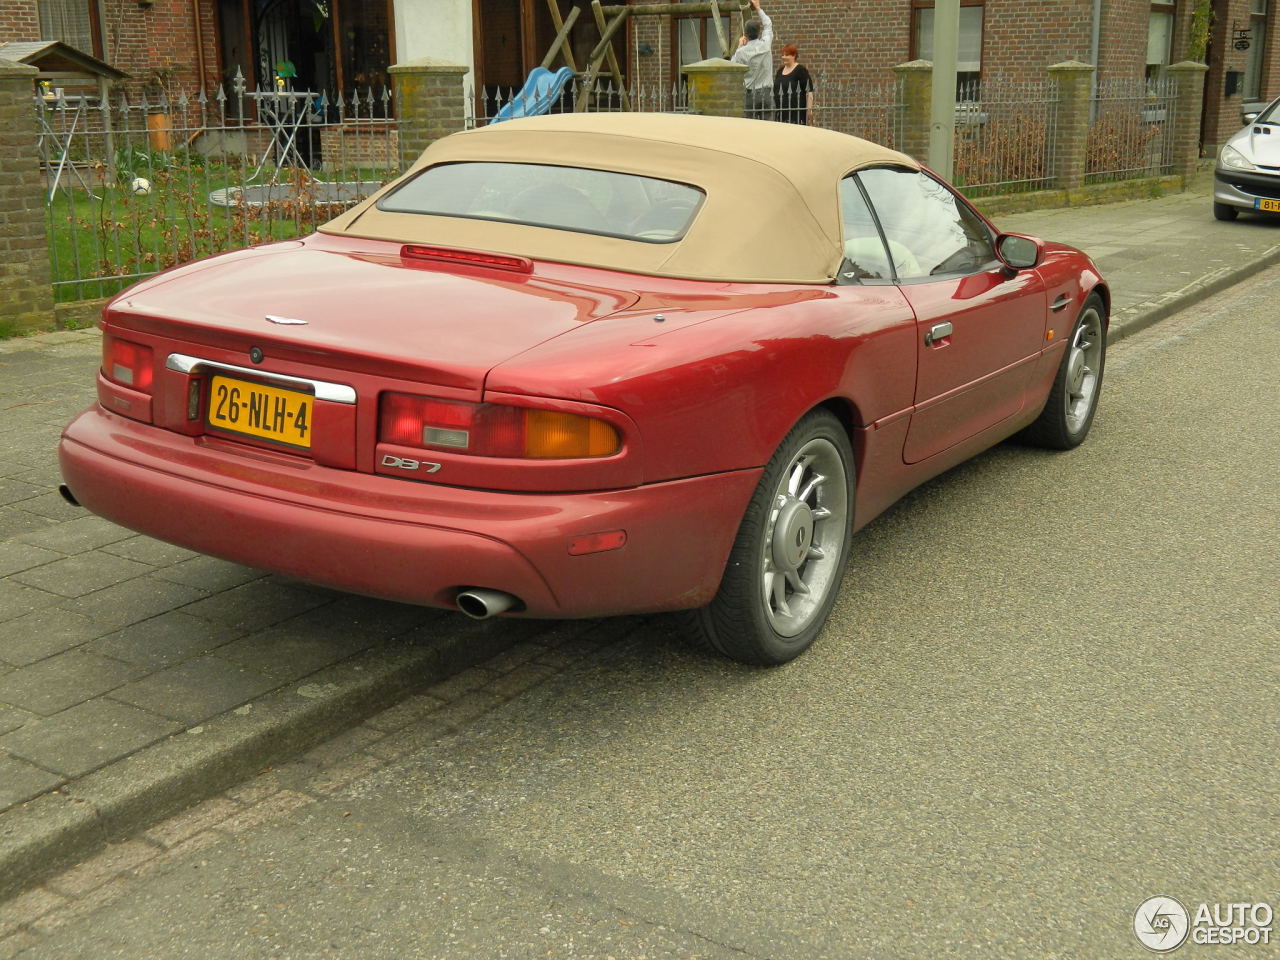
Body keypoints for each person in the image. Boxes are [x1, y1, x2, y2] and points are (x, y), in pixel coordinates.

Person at [731, 0, 774, 120]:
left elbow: (731, 67)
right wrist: (758, 8)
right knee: (769, 126)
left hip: (750, 94)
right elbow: (768, 24)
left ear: (746, 34)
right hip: (766, 92)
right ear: (758, 32)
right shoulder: (765, 44)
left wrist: (739, 45)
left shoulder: (741, 52)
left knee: (749, 127)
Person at [774, 44, 814, 125]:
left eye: (787, 55)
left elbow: (809, 91)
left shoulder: (800, 70)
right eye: (782, 55)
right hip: (781, 112)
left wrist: (809, 111)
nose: (783, 57)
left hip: (796, 114)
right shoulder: (780, 71)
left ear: (794, 56)